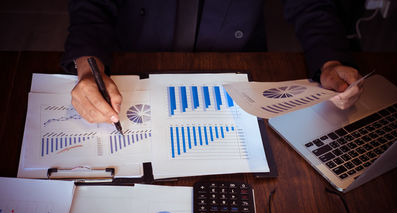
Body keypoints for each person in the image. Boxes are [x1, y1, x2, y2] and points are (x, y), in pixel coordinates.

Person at [62, 0, 362, 124]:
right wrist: (89, 70)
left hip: (239, 60)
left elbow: (311, 4)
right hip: (136, 56)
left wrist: (329, 61)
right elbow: (92, 5)